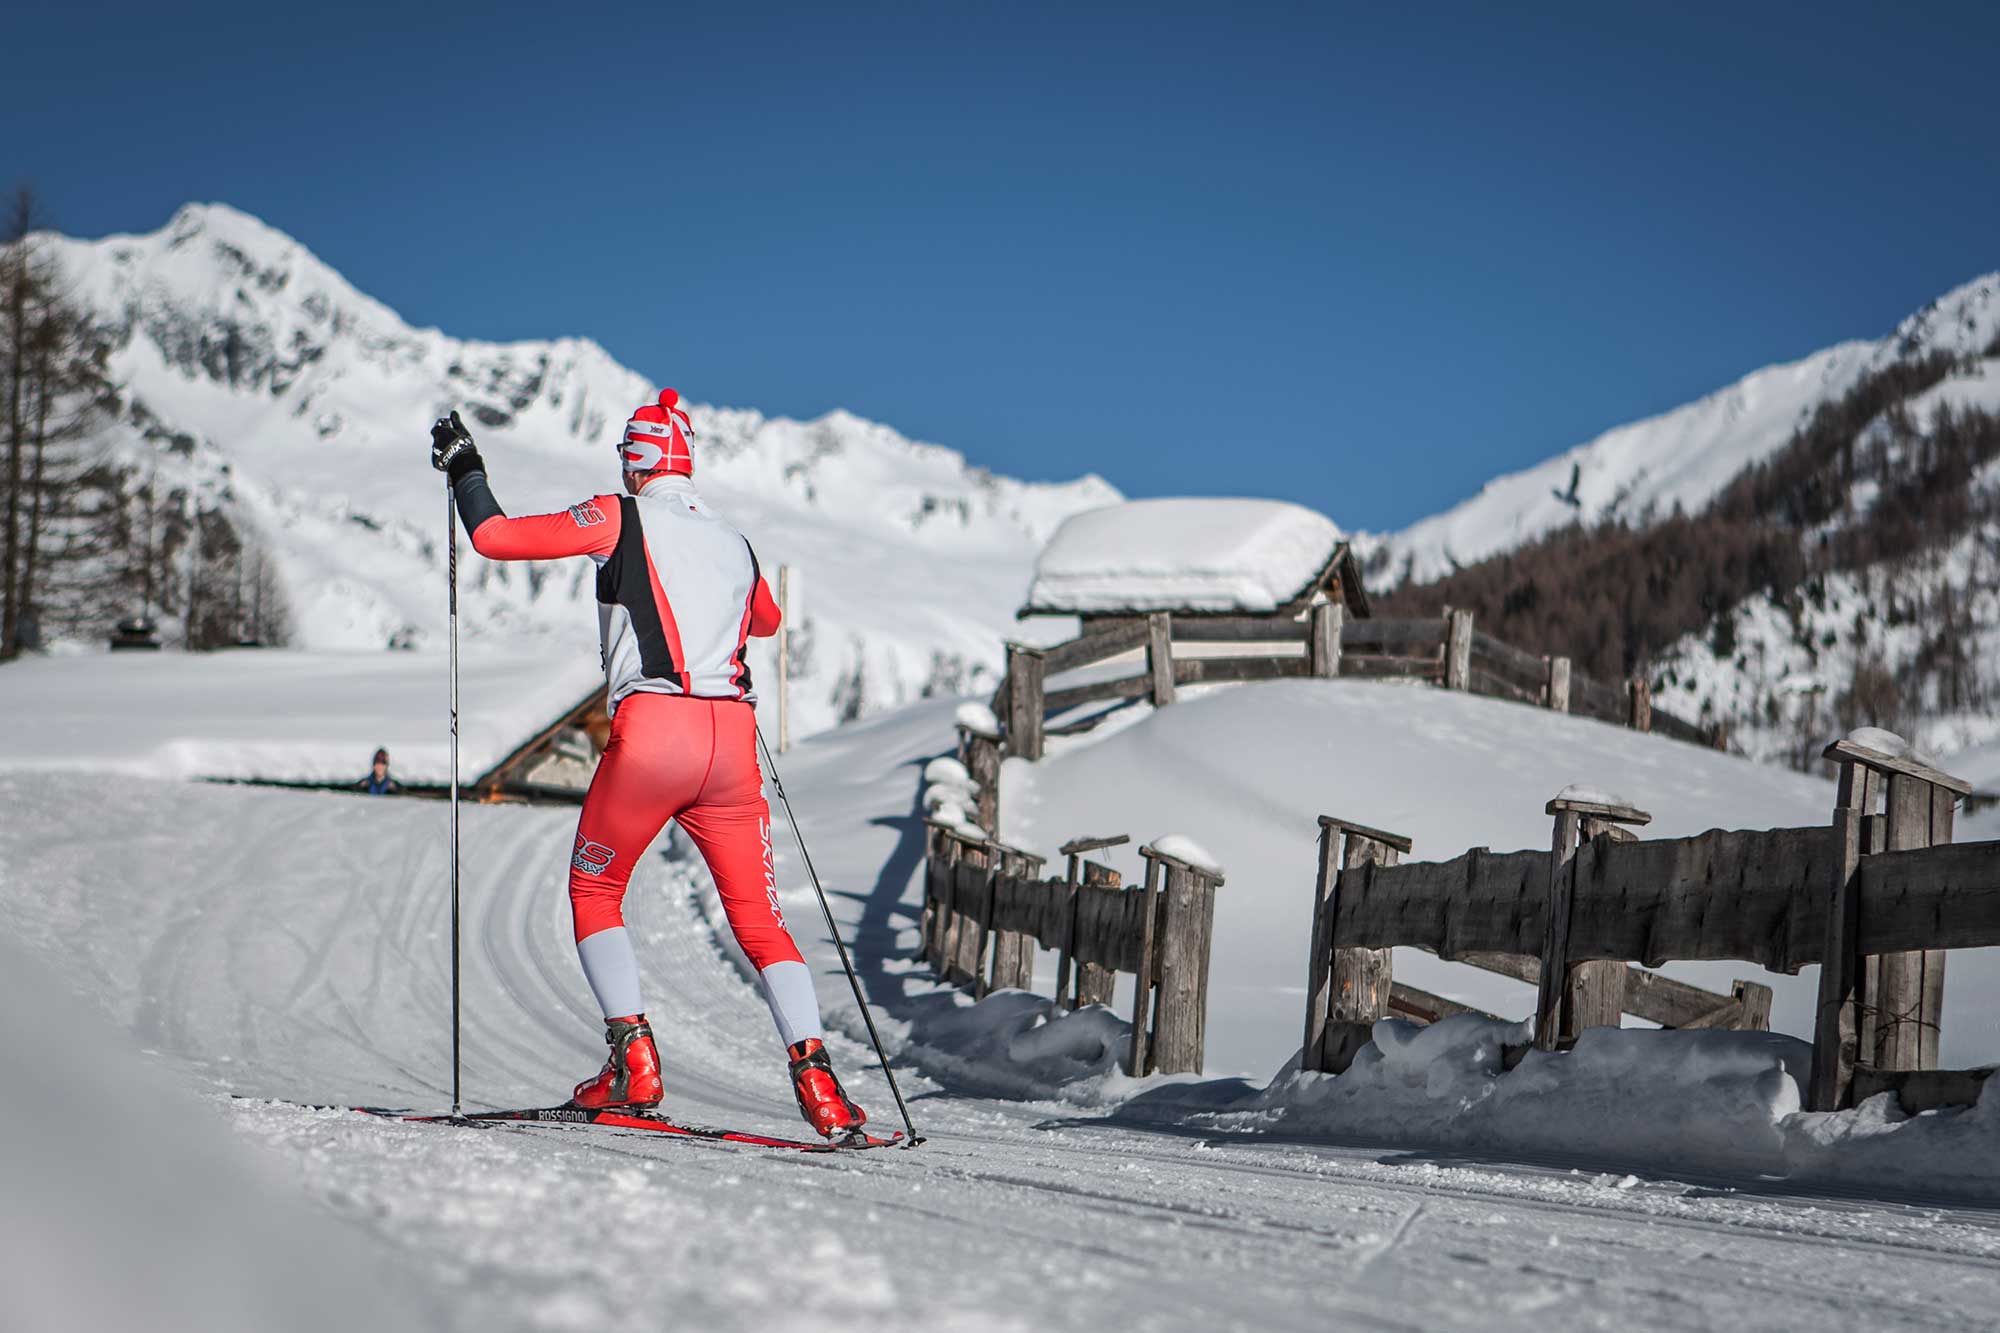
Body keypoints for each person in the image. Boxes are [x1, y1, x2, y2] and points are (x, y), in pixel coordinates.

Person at [427, 392, 866, 1138]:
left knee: (595, 889)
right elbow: (766, 620)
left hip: (654, 733)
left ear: (635, 462)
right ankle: (818, 1076)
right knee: (762, 924)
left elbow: (495, 538)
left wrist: (465, 467)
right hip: (731, 743)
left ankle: (633, 1058)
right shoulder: (734, 540)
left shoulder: (616, 516)